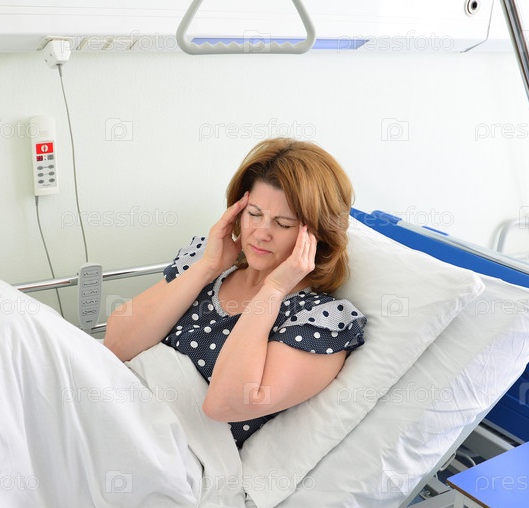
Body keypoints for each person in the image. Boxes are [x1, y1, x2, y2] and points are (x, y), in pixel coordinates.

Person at [104, 138, 366, 449]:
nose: (261, 233)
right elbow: (115, 345)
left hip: (165, 448)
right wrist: (208, 266)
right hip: (116, 403)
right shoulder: (208, 264)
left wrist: (274, 289)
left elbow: (224, 404)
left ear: (317, 236)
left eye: (283, 224)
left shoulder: (318, 321)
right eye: (254, 214)